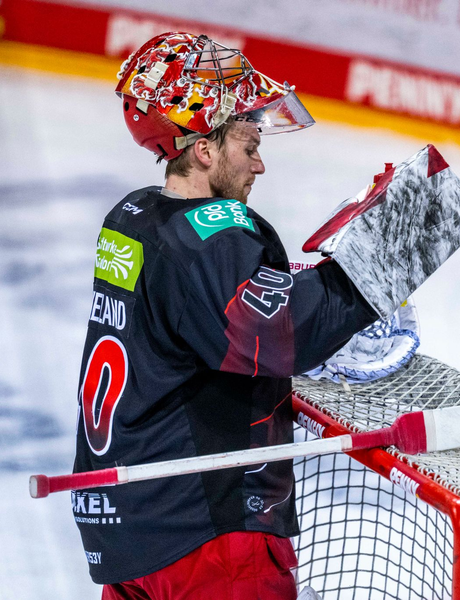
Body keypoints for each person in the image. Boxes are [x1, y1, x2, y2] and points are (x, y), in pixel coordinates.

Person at [74, 32, 378, 599]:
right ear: (205, 150)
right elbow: (277, 334)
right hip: (207, 538)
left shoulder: (132, 217)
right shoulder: (215, 234)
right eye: (247, 143)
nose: (259, 164)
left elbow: (200, 309)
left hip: (128, 531)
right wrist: (369, 275)